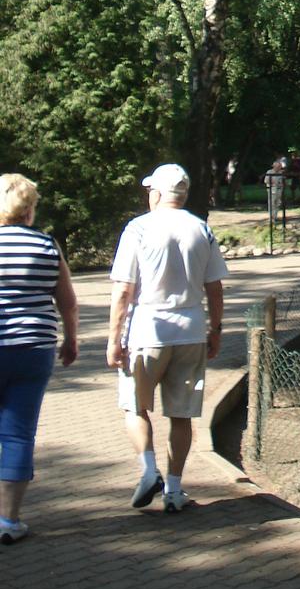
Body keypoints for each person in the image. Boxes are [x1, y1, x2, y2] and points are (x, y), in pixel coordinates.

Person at [107, 163, 228, 514]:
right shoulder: (201, 229)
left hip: (147, 330)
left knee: (135, 405)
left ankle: (148, 470)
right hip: (190, 331)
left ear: (157, 193)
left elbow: (123, 291)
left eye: (150, 191)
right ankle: (174, 490)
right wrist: (215, 330)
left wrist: (114, 339)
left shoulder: (138, 228)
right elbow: (215, 289)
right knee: (182, 414)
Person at [0, 173, 78, 544]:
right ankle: (8, 521)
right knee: (18, 433)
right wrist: (72, 340)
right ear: (30, 209)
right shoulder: (48, 246)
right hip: (33, 349)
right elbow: (67, 300)